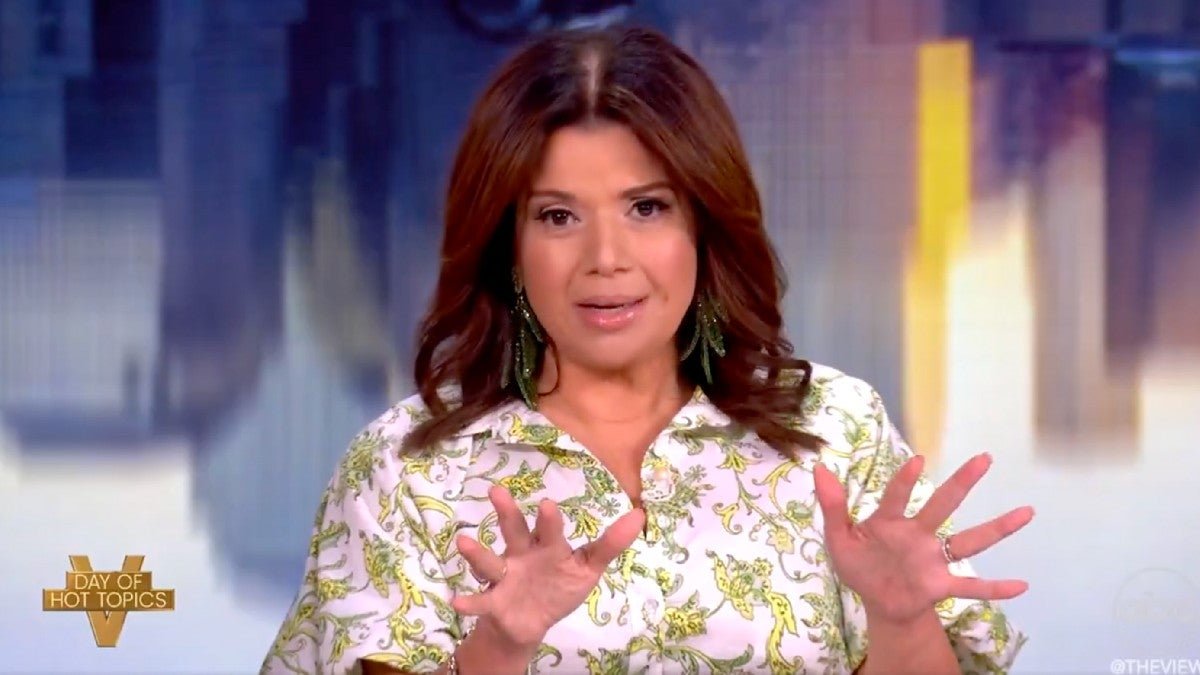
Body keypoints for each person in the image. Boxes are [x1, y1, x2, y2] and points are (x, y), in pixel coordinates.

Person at [261, 25, 1032, 675]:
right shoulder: (407, 470)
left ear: (704, 220)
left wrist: (900, 622)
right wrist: (497, 649)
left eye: (646, 207)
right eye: (558, 216)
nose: (606, 258)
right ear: (507, 244)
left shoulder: (835, 429)